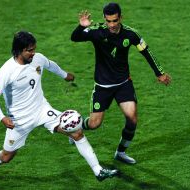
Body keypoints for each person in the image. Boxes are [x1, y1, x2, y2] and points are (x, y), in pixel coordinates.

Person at [0, 31, 118, 183]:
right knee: (6, 157)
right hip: (19, 121)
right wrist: (2, 118)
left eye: (34, 49)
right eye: (29, 50)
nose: (33, 53)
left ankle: (98, 171)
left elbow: (51, 65)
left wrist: (65, 75)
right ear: (19, 50)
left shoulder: (38, 59)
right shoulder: (7, 71)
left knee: (76, 132)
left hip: (42, 110)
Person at [71, 3, 171, 164]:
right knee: (95, 123)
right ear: (104, 18)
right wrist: (81, 26)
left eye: (115, 21)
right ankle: (75, 128)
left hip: (123, 83)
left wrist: (159, 73)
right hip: (103, 86)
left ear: (120, 18)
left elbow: (146, 51)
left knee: (132, 118)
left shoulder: (130, 34)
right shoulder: (97, 31)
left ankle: (121, 152)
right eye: (109, 21)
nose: (112, 25)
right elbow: (74, 38)